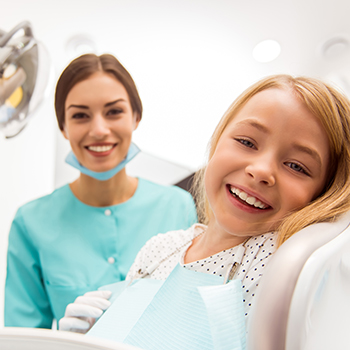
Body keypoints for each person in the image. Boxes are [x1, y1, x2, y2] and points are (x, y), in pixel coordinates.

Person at [59, 74, 350, 339]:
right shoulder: (160, 248)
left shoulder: (277, 262)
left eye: (297, 166)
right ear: (217, 143)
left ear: (324, 193)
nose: (261, 170)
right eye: (247, 142)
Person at [4, 54, 197, 328]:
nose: (99, 130)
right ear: (63, 127)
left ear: (136, 117)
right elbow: (21, 339)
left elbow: (194, 315)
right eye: (80, 115)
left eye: (114, 112)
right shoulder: (31, 223)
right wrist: (61, 338)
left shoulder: (178, 207)